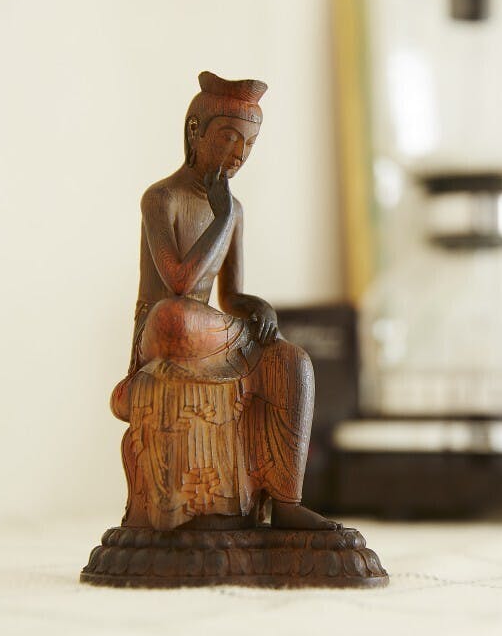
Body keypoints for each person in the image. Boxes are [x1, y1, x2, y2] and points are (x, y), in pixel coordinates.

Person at [110, 71, 337, 531]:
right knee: (175, 315)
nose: (239, 153)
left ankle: (286, 499)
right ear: (196, 131)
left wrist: (257, 308)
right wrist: (222, 216)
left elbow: (229, 296)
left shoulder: (235, 212)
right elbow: (180, 281)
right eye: (230, 137)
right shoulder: (161, 198)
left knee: (292, 361)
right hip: (167, 329)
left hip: (211, 327)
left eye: (249, 144)